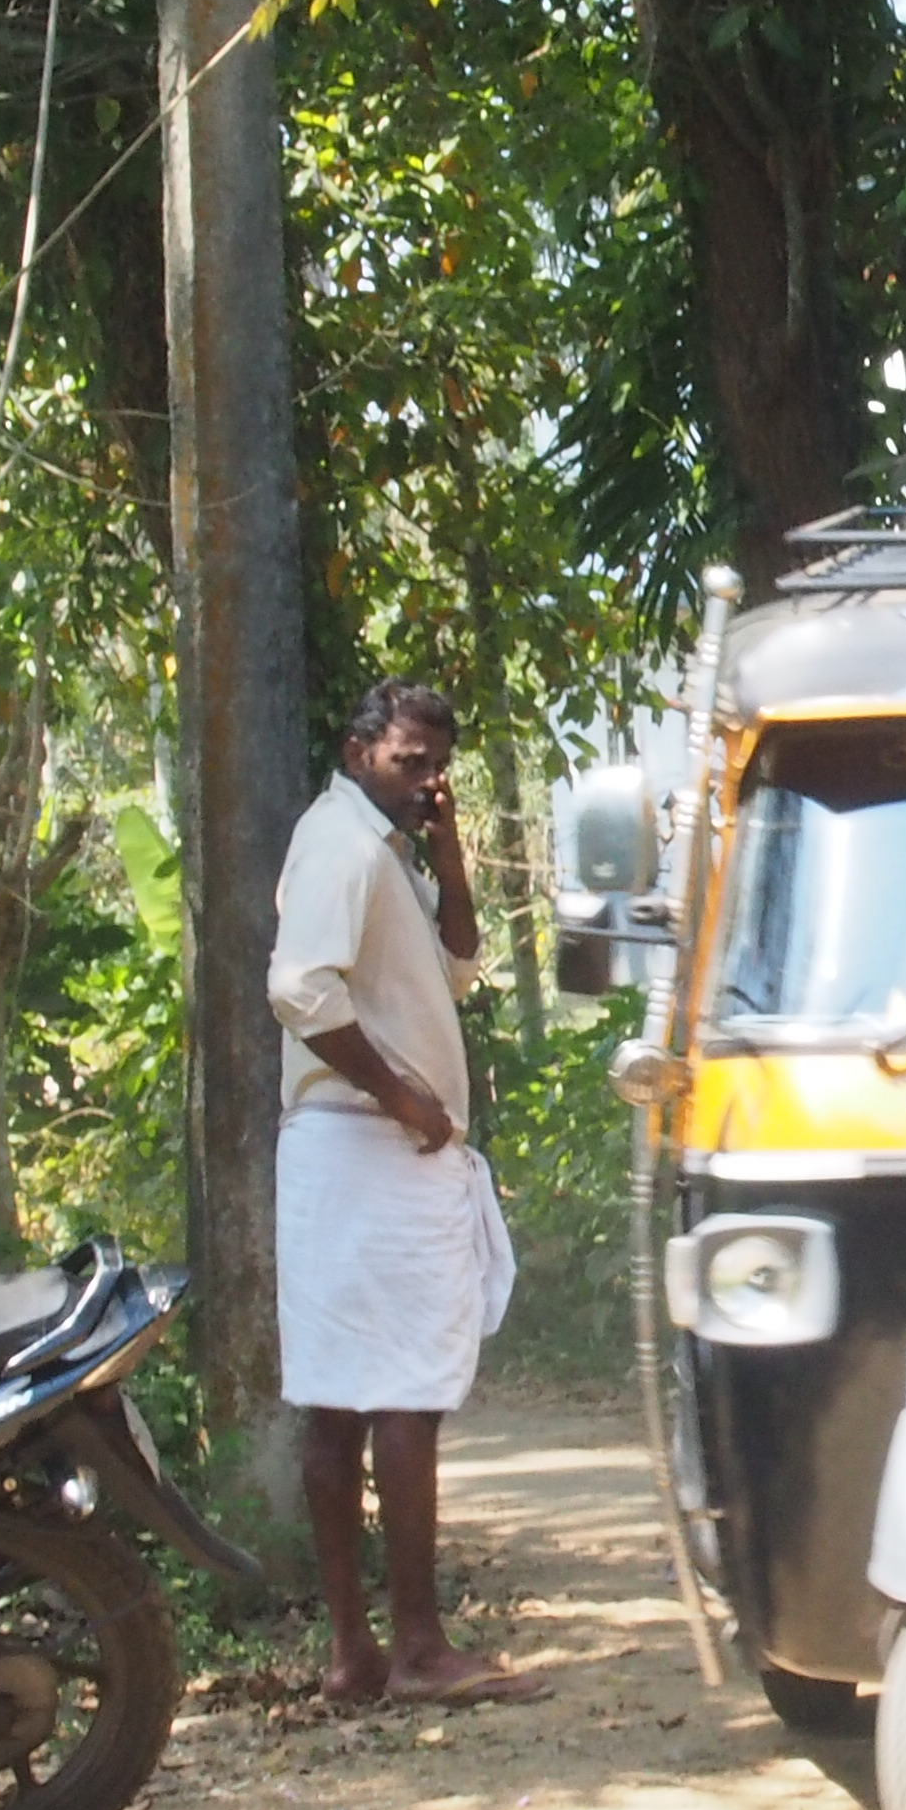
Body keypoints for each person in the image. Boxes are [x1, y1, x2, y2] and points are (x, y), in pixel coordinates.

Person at [267, 678, 543, 1706]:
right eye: (407, 761)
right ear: (357, 754)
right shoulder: (340, 843)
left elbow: (458, 968)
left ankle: (358, 1657)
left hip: (354, 1150)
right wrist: (402, 1097)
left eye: (438, 766)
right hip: (367, 1144)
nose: (427, 780)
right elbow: (300, 990)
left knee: (346, 1399)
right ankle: (416, 1647)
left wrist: (449, 851)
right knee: (399, 1398)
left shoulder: (383, 850)